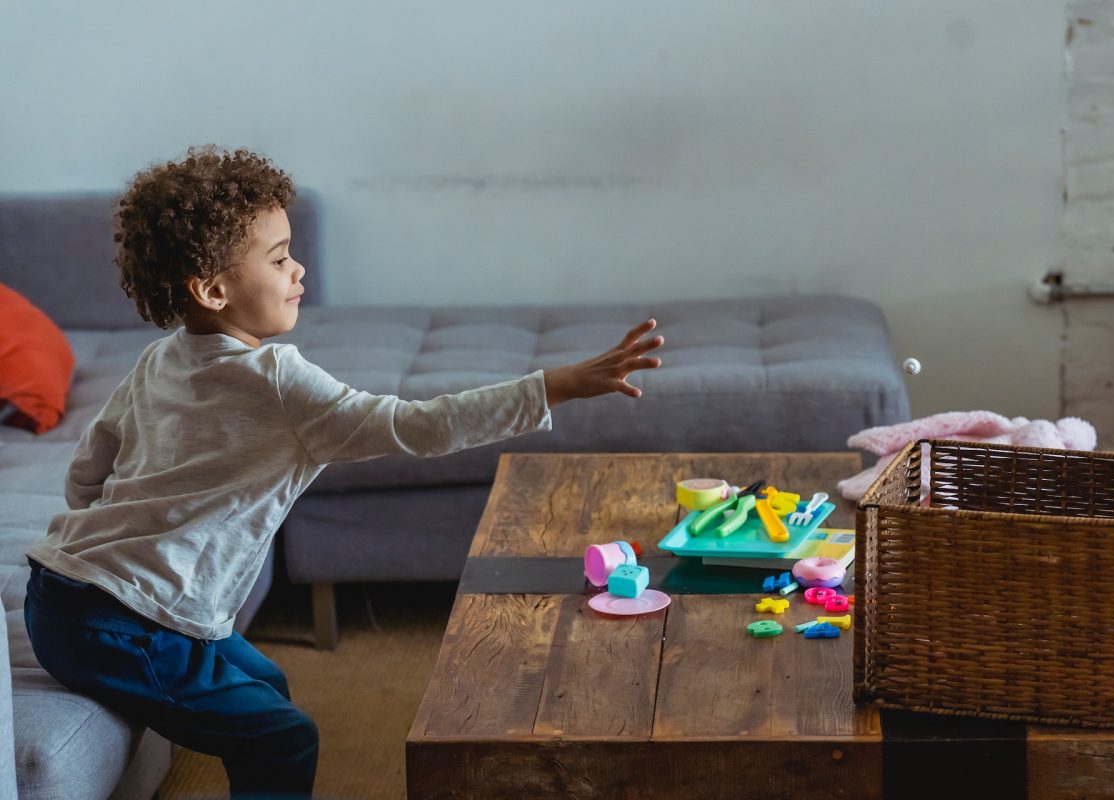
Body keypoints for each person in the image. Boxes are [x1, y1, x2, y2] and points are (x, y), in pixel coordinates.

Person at [23, 145, 664, 799]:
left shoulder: (160, 358)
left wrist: (114, 542)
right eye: (278, 260)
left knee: (266, 687)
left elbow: (88, 469)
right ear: (214, 290)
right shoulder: (277, 381)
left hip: (58, 598)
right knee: (284, 736)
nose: (299, 269)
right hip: (123, 628)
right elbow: (417, 427)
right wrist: (552, 386)